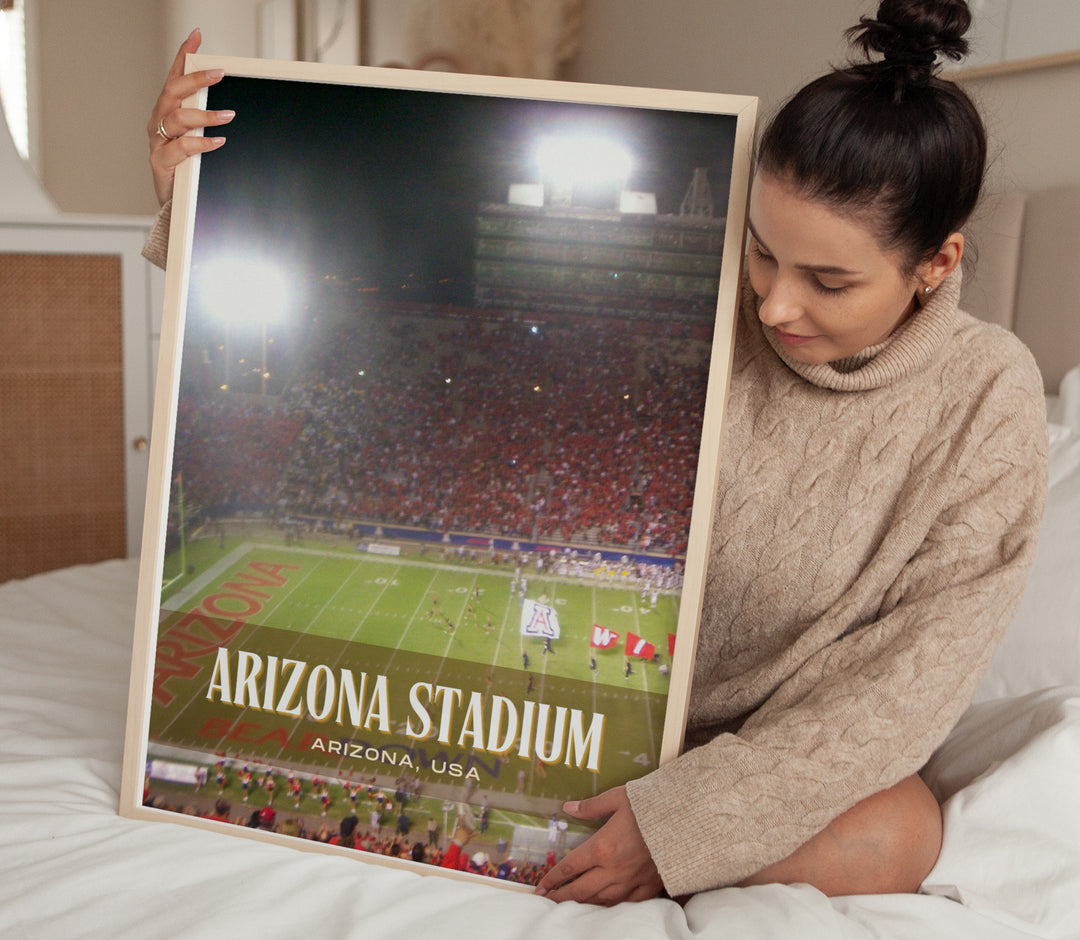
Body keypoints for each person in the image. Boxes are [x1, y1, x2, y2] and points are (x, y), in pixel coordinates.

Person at [144, 0, 1046, 905]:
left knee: (899, 836)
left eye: (829, 280)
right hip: (593, 720)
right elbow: (409, 327)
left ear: (937, 263)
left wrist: (688, 824)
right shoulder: (701, 294)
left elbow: (907, 688)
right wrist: (196, 203)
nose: (774, 304)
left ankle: (623, 844)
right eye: (763, 253)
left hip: (771, 752)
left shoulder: (987, 397)